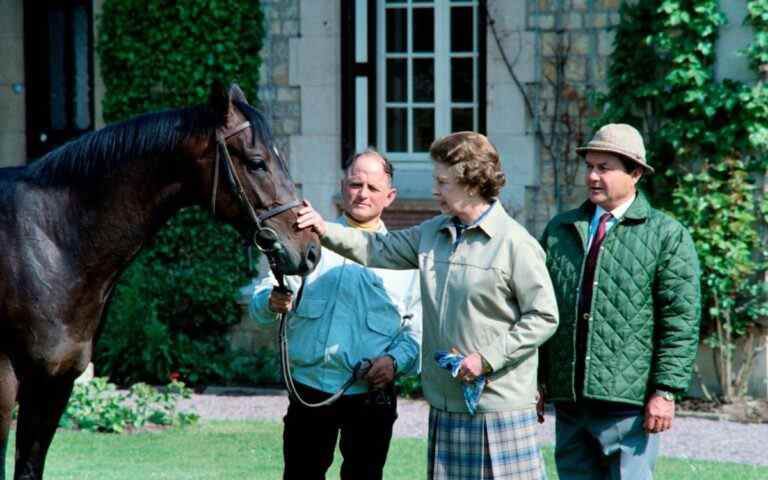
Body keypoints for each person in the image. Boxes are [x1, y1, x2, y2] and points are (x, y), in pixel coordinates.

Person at [296, 132, 559, 479]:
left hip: (499, 407)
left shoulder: (515, 244)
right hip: (446, 404)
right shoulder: (431, 233)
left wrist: (487, 359)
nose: (434, 190)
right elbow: (377, 248)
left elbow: (544, 316)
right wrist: (323, 228)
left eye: (442, 182)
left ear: (470, 182)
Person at [538, 123, 701, 479]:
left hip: (627, 408)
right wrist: (536, 380)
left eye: (605, 168)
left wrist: (665, 391)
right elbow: (538, 311)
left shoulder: (666, 235)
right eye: (590, 167)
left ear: (636, 173)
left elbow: (681, 321)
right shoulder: (560, 230)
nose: (593, 176)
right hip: (569, 405)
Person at [248, 148, 421, 480]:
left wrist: (394, 362)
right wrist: (270, 303)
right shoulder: (306, 239)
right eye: (356, 184)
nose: (362, 194)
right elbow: (262, 300)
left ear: (390, 196)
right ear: (342, 186)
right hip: (309, 390)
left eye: (372, 188)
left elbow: (418, 331)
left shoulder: (405, 257)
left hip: (371, 396)